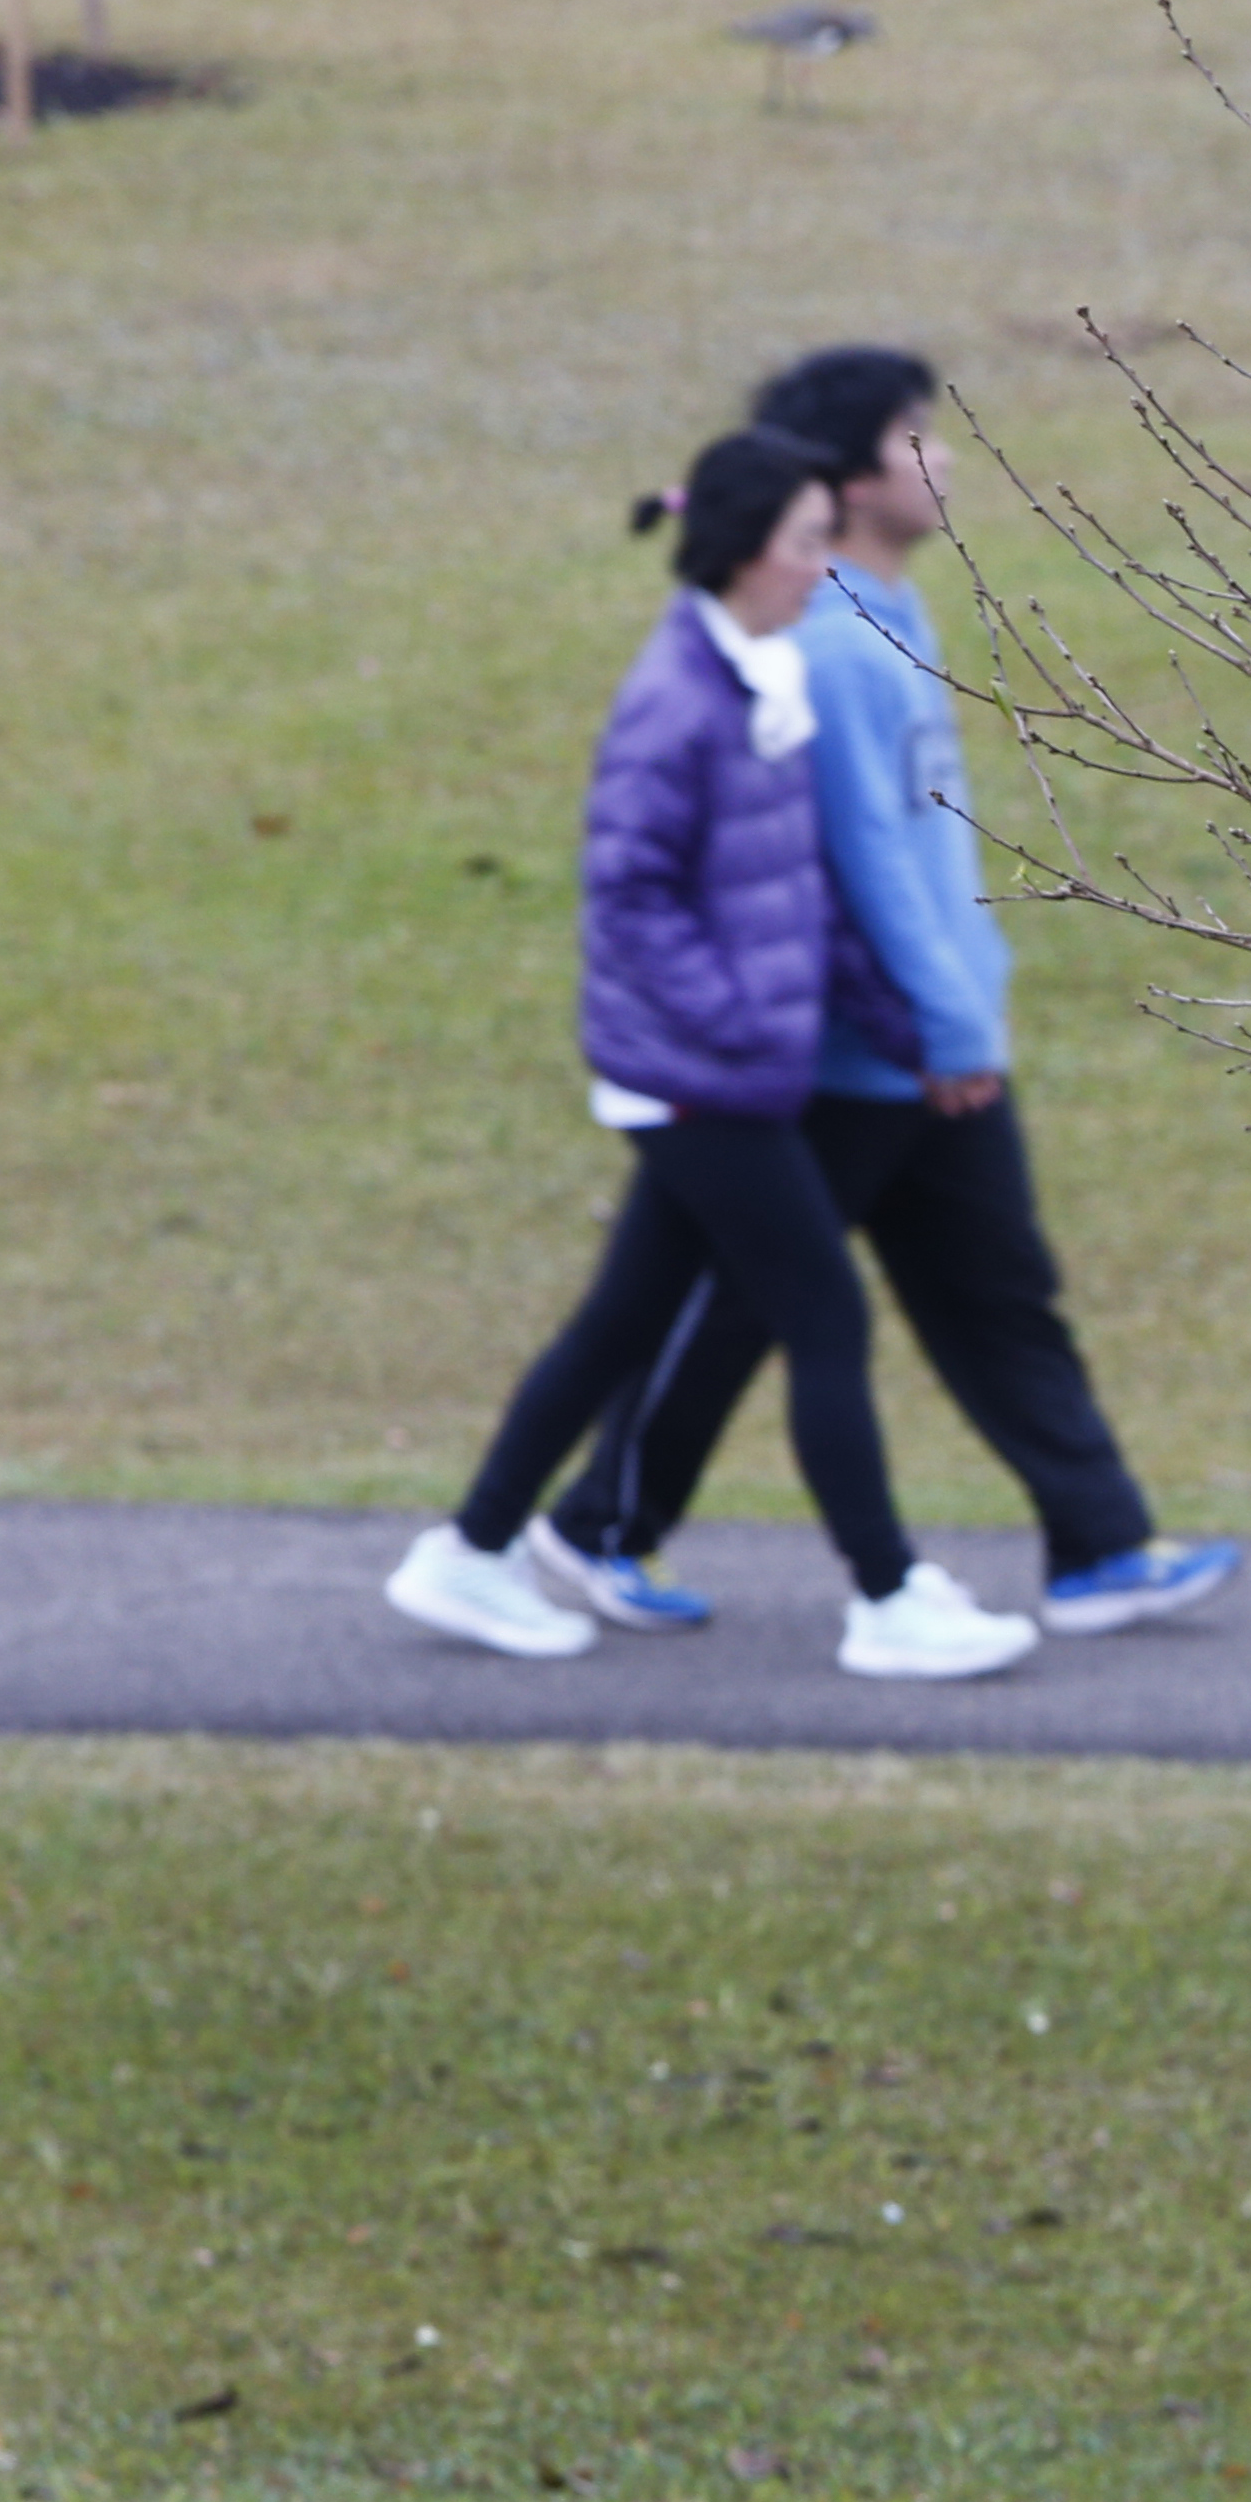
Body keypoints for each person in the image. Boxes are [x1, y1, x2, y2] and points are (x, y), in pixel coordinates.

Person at [521, 345, 1237, 1641]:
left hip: (934, 1031)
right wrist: (944, 1026)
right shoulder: (841, 645)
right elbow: (867, 863)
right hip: (867, 1053)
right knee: (746, 1307)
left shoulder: (895, 620)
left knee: (995, 1288)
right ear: (850, 484)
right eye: (917, 438)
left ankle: (1100, 1546)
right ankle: (594, 1530)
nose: (943, 456)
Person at [383, 430, 1039, 1681]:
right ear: (746, 552)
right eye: (804, 548)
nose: (819, 569)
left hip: (729, 1074)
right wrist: (739, 1020)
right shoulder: (681, 700)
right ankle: (890, 1598)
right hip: (697, 1084)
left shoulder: (760, 676)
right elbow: (626, 894)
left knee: (619, 1323)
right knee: (824, 1312)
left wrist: (897, 1031)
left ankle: (468, 1555)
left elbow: (796, 893)